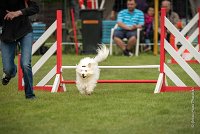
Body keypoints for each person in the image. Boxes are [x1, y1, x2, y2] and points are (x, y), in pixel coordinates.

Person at [0, 0, 39, 99]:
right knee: (8, 69)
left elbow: (35, 8)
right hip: (6, 34)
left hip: (24, 31)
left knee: (26, 64)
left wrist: (18, 13)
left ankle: (30, 95)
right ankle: (10, 73)